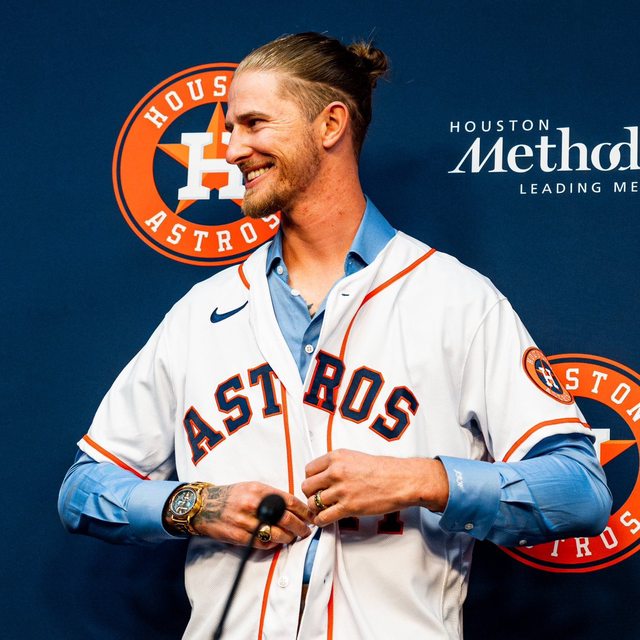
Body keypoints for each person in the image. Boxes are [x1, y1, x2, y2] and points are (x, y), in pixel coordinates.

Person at [59, 32, 611, 639]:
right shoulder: (203, 311)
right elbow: (85, 488)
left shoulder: (455, 300)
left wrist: (423, 480)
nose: (232, 149)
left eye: (254, 124)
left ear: (330, 125)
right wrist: (196, 506)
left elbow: (579, 489)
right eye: (230, 128)